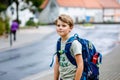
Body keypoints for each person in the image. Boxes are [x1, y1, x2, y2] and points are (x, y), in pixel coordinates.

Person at [54, 14, 83, 80]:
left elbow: (80, 65)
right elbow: (57, 63)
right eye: (58, 25)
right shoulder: (59, 42)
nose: (60, 27)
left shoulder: (74, 43)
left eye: (64, 25)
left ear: (70, 28)